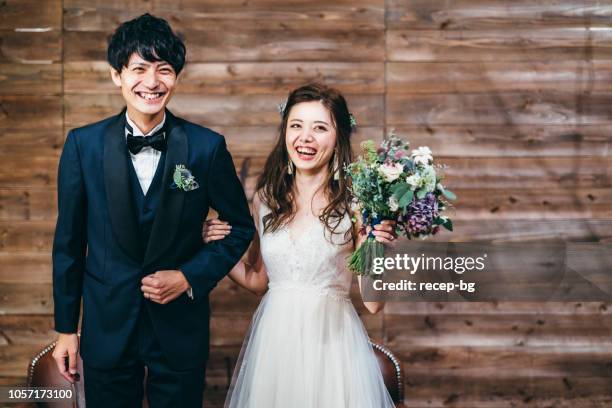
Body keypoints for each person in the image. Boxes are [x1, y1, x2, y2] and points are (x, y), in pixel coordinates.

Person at [51, 13, 255, 408]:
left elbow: (240, 228)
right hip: (107, 324)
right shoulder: (83, 145)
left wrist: (188, 276)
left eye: (164, 70)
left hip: (179, 327)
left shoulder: (205, 147)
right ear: (117, 75)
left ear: (175, 78)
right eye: (140, 69)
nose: (152, 82)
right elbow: (68, 245)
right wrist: (65, 330)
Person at [203, 83, 397, 407]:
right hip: (275, 347)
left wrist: (375, 245)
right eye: (296, 126)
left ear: (337, 139)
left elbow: (374, 304)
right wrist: (214, 247)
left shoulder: (356, 203)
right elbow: (258, 280)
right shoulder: (266, 199)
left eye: (319, 128)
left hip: (331, 348)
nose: (305, 138)